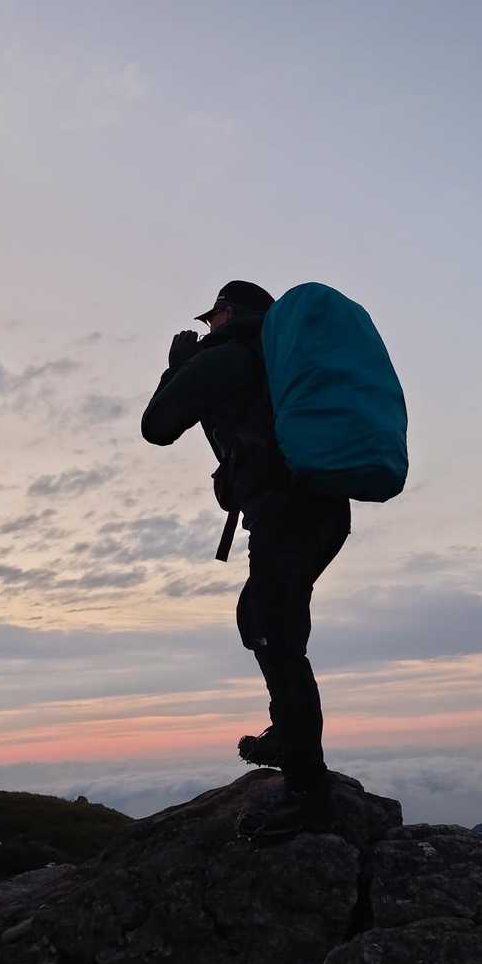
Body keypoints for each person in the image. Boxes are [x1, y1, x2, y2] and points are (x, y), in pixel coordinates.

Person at [141, 281, 351, 840]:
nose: (207, 326)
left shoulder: (229, 358)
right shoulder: (280, 362)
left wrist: (176, 368)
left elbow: (157, 426)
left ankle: (307, 792)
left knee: (277, 638)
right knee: (261, 618)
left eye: (211, 317)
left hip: (285, 515)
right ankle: (287, 735)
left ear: (228, 313)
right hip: (324, 513)